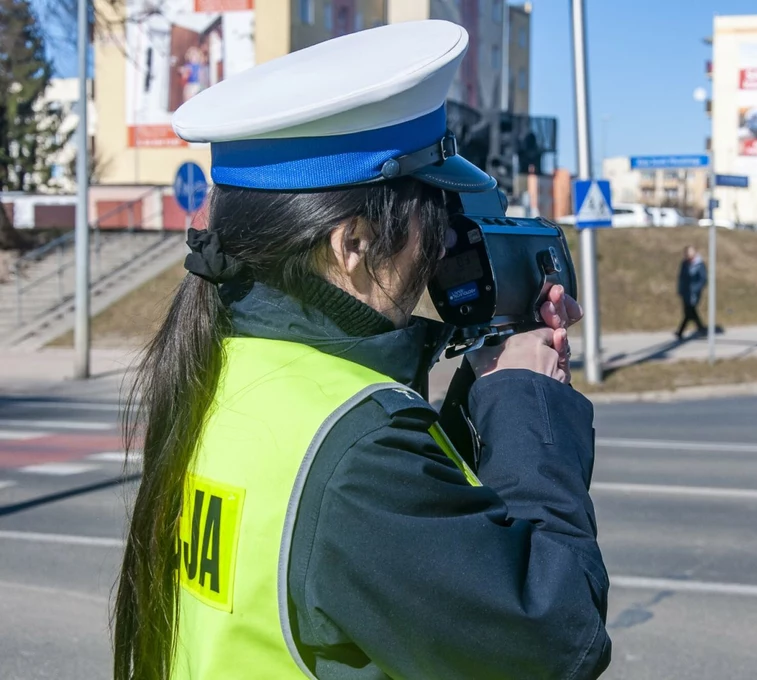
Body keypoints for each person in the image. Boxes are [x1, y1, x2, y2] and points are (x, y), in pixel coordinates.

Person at [113, 21, 610, 680]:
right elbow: (552, 634)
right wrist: (527, 407)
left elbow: (381, 556)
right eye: (430, 221)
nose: (438, 247)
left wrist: (483, 387)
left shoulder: (228, 368)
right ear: (351, 244)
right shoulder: (357, 455)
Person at [675, 244, 707, 339]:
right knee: (689, 312)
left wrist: (696, 288)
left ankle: (681, 331)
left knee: (690, 311)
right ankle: (701, 329)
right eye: (687, 252)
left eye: (690, 252)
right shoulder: (684, 264)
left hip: (695, 293)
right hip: (685, 292)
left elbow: (703, 279)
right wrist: (680, 290)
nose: (688, 254)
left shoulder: (699, 264)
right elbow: (681, 278)